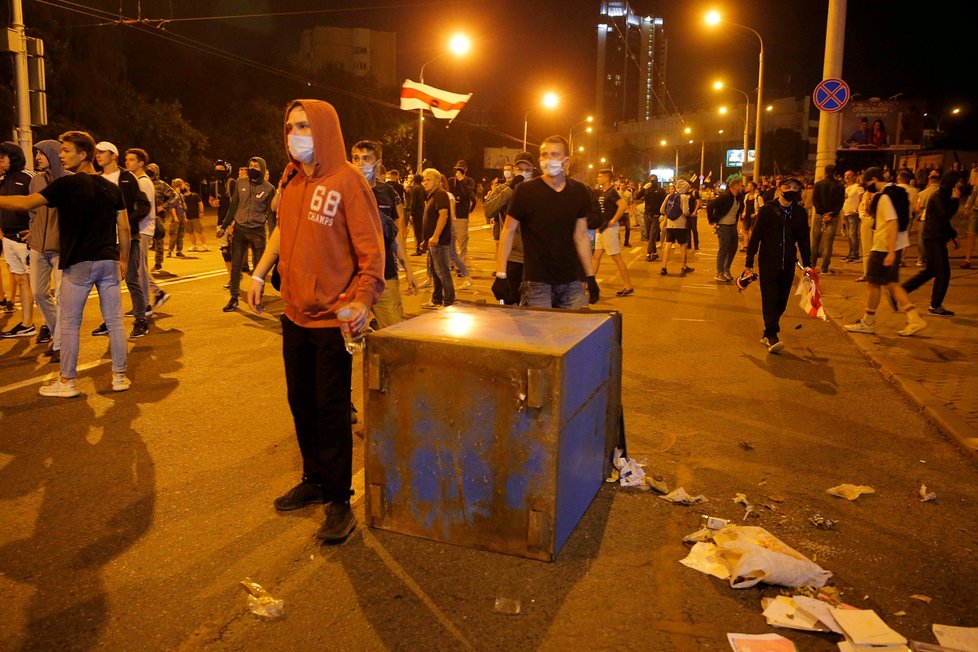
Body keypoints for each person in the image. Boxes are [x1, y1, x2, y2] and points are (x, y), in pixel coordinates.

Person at [246, 99, 384, 543]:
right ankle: (314, 479)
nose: (294, 135)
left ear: (323, 128)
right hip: (294, 315)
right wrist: (260, 271)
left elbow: (371, 252)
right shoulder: (290, 179)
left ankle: (339, 500)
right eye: (289, 127)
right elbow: (284, 231)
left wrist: (363, 300)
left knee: (330, 411)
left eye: (303, 126)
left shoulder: (348, 182)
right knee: (300, 402)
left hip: (331, 322)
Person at [0, 131, 131, 395]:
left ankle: (66, 382)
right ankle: (119, 377)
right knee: (115, 321)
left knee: (70, 323)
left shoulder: (66, 185)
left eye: (67, 150)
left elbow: (25, 203)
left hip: (79, 263)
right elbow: (125, 228)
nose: (61, 155)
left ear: (84, 155)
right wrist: (124, 260)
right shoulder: (111, 187)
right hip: (108, 260)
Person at [494, 135, 598, 309]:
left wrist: (590, 276)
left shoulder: (579, 191)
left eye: (554, 155)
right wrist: (501, 274)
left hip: (572, 281)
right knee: (540, 333)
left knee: (575, 332)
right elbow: (508, 231)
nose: (548, 159)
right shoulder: (525, 191)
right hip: (537, 283)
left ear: (566, 161)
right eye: (544, 154)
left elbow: (581, 236)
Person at [845, 167, 927, 337]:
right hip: (895, 243)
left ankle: (869, 322)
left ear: (874, 179)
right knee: (890, 283)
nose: (867, 187)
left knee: (874, 282)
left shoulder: (885, 197)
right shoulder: (899, 192)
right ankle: (912, 318)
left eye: (868, 183)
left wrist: (890, 251)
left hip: (884, 246)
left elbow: (892, 222)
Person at [743, 177, 812, 353]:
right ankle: (772, 335)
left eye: (795, 187)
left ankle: (767, 332)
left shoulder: (800, 213)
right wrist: (749, 262)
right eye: (787, 186)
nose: (791, 189)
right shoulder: (768, 210)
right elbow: (756, 236)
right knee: (770, 298)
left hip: (788, 262)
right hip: (768, 262)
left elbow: (804, 240)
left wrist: (808, 265)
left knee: (781, 301)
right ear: (780, 188)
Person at [350, 139, 415, 327]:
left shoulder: (387, 192)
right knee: (345, 343)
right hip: (351, 279)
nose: (360, 163)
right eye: (356, 158)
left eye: (366, 158)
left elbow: (393, 236)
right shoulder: (342, 191)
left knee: (394, 335)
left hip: (384, 277)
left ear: (377, 164)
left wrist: (408, 269)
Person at [94, 141, 152, 339]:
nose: (98, 156)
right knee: (107, 282)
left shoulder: (127, 178)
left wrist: (127, 221)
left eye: (103, 153)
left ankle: (141, 320)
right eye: (96, 153)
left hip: (129, 236)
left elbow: (143, 204)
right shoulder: (97, 179)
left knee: (131, 279)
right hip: (105, 239)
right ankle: (110, 321)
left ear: (113, 156)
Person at [218, 156, 276, 312]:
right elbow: (233, 206)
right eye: (250, 166)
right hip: (240, 230)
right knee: (236, 266)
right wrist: (224, 226)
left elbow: (271, 215)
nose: (252, 169)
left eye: (256, 167)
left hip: (257, 232)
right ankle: (234, 298)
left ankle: (257, 299)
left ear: (262, 169)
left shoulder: (269, 189)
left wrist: (273, 235)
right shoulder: (240, 184)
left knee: (259, 269)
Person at [901, 172, 961, 316]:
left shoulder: (944, 196)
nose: (959, 185)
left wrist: (953, 236)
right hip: (933, 238)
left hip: (936, 237)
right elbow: (945, 216)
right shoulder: (939, 196)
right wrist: (956, 200)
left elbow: (944, 221)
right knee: (943, 273)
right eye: (957, 183)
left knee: (930, 271)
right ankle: (935, 305)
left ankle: (900, 291)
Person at [28, 140, 66, 357]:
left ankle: (60, 344)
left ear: (52, 154)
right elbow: (32, 210)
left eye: (41, 153)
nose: (38, 158)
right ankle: (56, 333)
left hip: (61, 248)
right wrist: (32, 230)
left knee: (62, 297)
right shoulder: (36, 180)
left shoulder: (68, 180)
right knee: (39, 293)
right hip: (38, 247)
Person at [484, 152, 533, 304]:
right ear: (514, 170)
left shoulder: (538, 189)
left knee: (534, 306)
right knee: (510, 303)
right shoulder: (503, 189)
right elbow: (489, 210)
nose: (523, 172)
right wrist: (511, 187)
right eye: (520, 169)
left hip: (534, 258)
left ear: (533, 169)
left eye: (527, 169)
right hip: (513, 257)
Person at [124, 149, 169, 312]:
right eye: (126, 159)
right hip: (142, 229)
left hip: (142, 229)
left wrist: (128, 221)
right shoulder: (139, 180)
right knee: (139, 268)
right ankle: (154, 296)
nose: (127, 162)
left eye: (131, 160)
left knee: (138, 269)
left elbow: (143, 208)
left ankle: (145, 304)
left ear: (141, 162)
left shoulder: (142, 182)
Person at [0, 141, 37, 339]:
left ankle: (50, 327)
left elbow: (44, 204)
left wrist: (34, 229)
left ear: (13, 157)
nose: (0, 161)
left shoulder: (28, 177)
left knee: (37, 286)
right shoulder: (3, 180)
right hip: (9, 239)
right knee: (22, 280)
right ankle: (27, 323)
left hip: (26, 240)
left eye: (3, 157)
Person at [592, 168, 634, 296]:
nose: (598, 178)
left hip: (609, 230)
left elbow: (623, 205)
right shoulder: (604, 192)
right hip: (602, 229)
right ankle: (591, 282)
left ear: (607, 178)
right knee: (596, 256)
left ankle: (628, 286)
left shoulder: (612, 192)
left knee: (617, 258)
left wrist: (613, 220)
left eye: (600, 176)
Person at [419, 168, 454, 309]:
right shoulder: (432, 196)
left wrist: (435, 236)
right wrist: (426, 238)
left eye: (428, 180)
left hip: (439, 242)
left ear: (437, 181)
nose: (425, 182)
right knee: (435, 272)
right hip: (433, 242)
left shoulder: (440, 194)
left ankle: (449, 301)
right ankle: (437, 300)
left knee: (442, 272)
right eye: (424, 180)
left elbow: (443, 215)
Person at [707, 173, 744, 282]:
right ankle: (719, 273)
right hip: (723, 227)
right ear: (735, 186)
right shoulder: (725, 197)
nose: (742, 187)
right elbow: (710, 205)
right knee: (724, 249)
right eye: (741, 185)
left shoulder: (738, 198)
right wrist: (712, 219)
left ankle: (726, 269)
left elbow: (739, 210)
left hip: (732, 226)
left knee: (733, 248)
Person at [810, 164, 845, 274]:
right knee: (828, 244)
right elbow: (840, 203)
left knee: (815, 242)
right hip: (832, 217)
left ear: (825, 172)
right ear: (835, 173)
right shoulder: (840, 186)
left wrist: (821, 212)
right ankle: (824, 268)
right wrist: (831, 214)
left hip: (819, 215)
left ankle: (812, 266)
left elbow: (815, 200)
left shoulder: (818, 185)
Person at [659, 178, 695, 277]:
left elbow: (662, 210)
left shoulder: (669, 196)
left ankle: (663, 267)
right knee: (683, 245)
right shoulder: (684, 197)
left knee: (668, 245)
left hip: (670, 225)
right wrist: (690, 214)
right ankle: (683, 266)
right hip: (681, 225)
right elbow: (685, 212)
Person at [447, 160, 476, 272]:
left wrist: (462, 181)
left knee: (462, 242)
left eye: (461, 169)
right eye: (457, 169)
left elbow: (466, 194)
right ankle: (451, 263)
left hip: (462, 216)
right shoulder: (450, 181)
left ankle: (461, 266)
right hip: (451, 215)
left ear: (466, 170)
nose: (458, 171)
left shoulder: (469, 181)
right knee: (450, 242)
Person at [635, 174, 667, 262]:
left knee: (652, 236)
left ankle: (649, 253)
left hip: (656, 215)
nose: (652, 182)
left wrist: (663, 214)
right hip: (647, 214)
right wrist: (644, 188)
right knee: (649, 235)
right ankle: (655, 253)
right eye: (651, 180)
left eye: (654, 180)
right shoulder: (647, 190)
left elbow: (665, 203)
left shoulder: (661, 190)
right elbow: (637, 197)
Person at [841, 170, 864, 264]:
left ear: (854, 176)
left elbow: (863, 199)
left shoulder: (858, 187)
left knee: (853, 235)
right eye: (845, 175)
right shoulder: (846, 188)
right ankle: (850, 254)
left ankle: (855, 255)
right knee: (849, 236)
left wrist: (857, 210)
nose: (847, 177)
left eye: (849, 175)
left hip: (853, 214)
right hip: (846, 213)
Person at [166, 178, 188, 258]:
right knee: (173, 234)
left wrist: (185, 217)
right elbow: (172, 207)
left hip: (181, 215)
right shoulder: (173, 194)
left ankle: (179, 250)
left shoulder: (181, 195)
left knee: (181, 234)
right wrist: (175, 217)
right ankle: (170, 251)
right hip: (176, 216)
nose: (184, 186)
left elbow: (183, 207)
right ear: (179, 185)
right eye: (182, 184)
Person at [182, 182, 207, 251]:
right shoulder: (182, 197)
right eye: (183, 186)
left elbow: (200, 203)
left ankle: (204, 245)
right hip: (187, 217)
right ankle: (194, 245)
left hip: (195, 216)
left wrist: (201, 212)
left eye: (185, 186)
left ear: (189, 187)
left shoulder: (195, 195)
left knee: (200, 231)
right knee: (190, 232)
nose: (184, 188)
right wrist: (184, 217)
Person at [740, 180, 763, 252]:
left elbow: (762, 208)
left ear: (752, 187)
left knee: (753, 232)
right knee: (745, 231)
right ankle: (746, 246)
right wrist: (743, 213)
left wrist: (756, 214)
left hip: (755, 216)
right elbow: (744, 205)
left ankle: (752, 246)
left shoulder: (758, 197)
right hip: (747, 215)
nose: (747, 187)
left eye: (748, 186)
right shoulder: (746, 196)